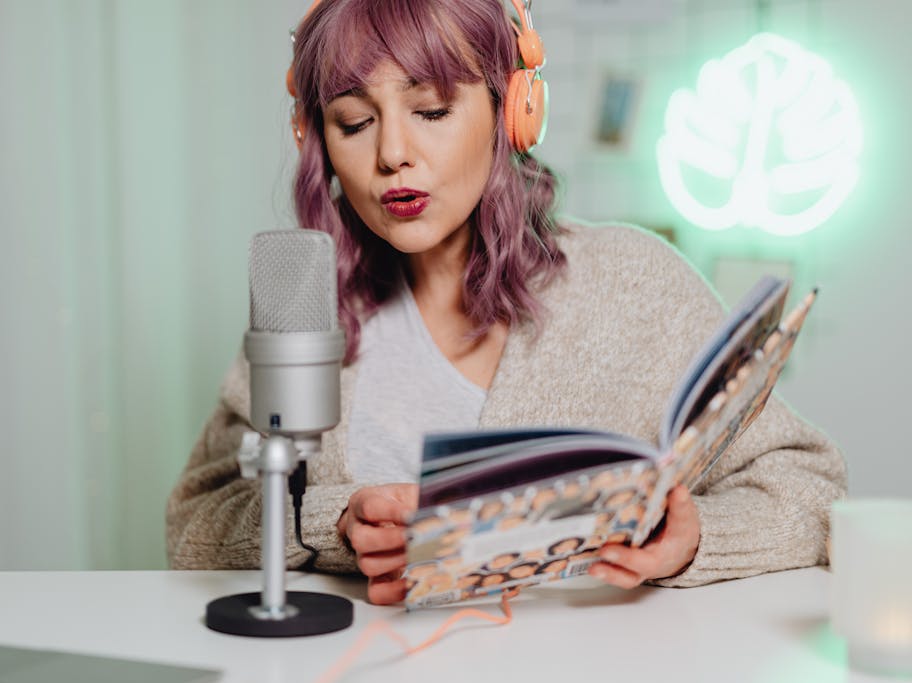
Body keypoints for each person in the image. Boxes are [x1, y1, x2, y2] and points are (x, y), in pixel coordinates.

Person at [165, 0, 846, 606]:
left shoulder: (636, 284)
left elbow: (814, 486)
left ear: (511, 111)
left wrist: (696, 535)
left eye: (430, 110)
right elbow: (195, 521)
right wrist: (336, 523)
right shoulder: (309, 301)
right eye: (353, 121)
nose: (392, 154)